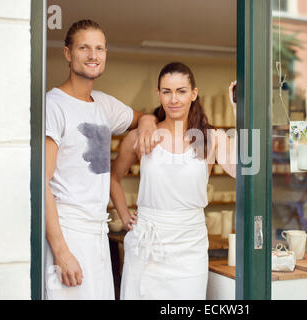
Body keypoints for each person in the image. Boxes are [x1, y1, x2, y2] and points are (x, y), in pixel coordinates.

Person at [45, 19, 158, 300]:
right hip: (68, 231)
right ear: (68, 53)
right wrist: (61, 251)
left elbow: (144, 117)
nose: (93, 55)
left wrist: (146, 123)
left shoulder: (105, 105)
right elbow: (39, 184)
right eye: (84, 48)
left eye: (99, 48)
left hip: (98, 233)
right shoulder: (54, 104)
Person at [111, 62, 237, 299]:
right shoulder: (140, 137)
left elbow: (245, 172)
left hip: (190, 247)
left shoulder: (212, 138)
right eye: (167, 91)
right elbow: (113, 178)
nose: (173, 99)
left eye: (181, 91)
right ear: (158, 94)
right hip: (147, 244)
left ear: (194, 93)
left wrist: (239, 110)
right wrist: (126, 217)